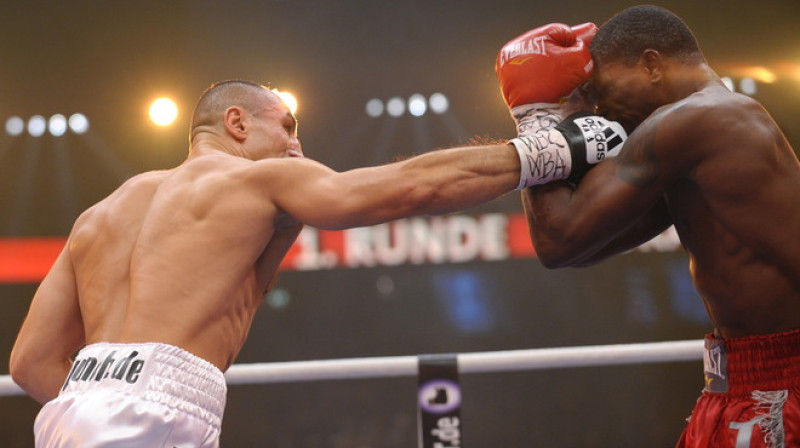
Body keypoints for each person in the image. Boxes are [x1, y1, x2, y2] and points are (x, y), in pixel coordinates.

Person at [8, 80, 537, 447]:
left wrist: (112, 394)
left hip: (70, 417)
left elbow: (30, 364)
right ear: (236, 122)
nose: (296, 144)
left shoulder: (98, 213)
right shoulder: (257, 180)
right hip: (151, 412)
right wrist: (540, 153)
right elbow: (412, 188)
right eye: (285, 127)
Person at [496, 5, 800, 448]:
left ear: (652, 64)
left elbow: (559, 235)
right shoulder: (707, 135)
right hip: (738, 381)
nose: (602, 106)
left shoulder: (698, 120)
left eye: (605, 88)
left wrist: (538, 113)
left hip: (777, 387)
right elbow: (574, 251)